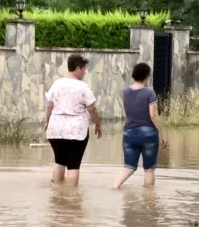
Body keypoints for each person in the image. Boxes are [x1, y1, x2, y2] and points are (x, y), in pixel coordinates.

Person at [44, 54, 102, 186]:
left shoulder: (57, 84)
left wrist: (47, 122)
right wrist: (98, 125)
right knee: (73, 164)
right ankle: (72, 199)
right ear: (77, 68)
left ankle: (57, 195)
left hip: (56, 129)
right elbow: (92, 109)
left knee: (59, 161)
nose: (85, 72)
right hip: (76, 131)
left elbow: (49, 105)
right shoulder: (83, 87)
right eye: (84, 69)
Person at [113, 63, 167, 189]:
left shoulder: (126, 91)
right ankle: (148, 199)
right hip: (148, 135)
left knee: (129, 167)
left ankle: (115, 187)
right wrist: (163, 133)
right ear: (147, 76)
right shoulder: (149, 92)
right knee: (149, 169)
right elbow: (153, 115)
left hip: (129, 134)